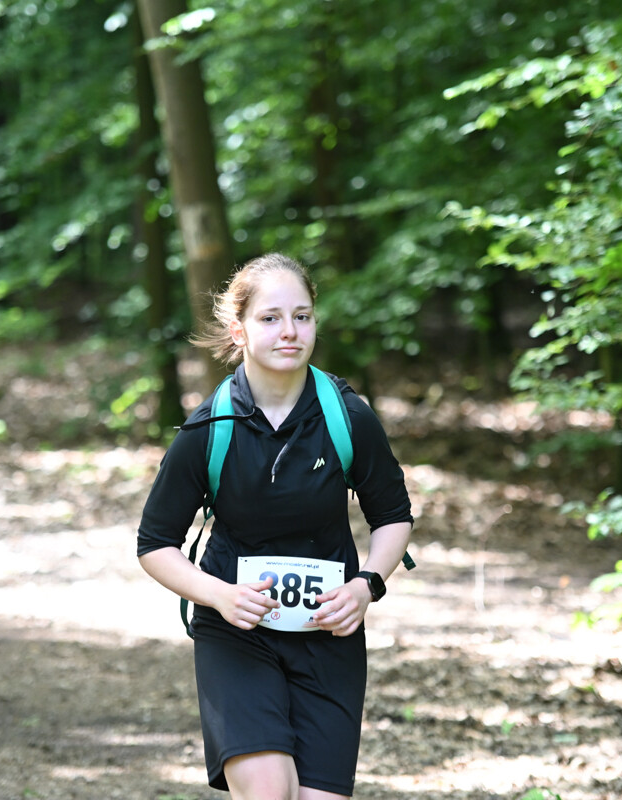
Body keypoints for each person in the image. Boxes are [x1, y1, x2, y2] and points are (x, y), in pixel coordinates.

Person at [137, 252, 414, 799]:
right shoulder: (208, 428)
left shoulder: (348, 416)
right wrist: (219, 596)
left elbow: (393, 517)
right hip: (236, 634)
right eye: (271, 318)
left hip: (328, 635)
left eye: (303, 316)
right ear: (239, 330)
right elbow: (155, 545)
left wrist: (366, 586)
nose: (290, 331)